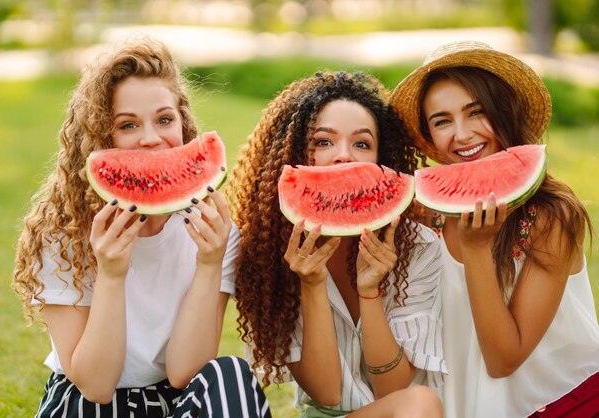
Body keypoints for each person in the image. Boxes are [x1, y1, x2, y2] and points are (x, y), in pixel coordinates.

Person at [12, 38, 271, 418]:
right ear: (101, 138)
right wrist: (111, 277)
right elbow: (95, 385)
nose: (151, 138)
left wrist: (209, 263)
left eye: (165, 120)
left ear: (184, 125)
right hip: (84, 402)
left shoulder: (213, 232)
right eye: (128, 124)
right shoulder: (63, 233)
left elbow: (186, 372)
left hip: (173, 400)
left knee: (231, 373)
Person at [390, 40, 599, 418]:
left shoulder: (550, 216)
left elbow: (504, 360)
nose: (462, 134)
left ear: (504, 112)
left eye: (476, 112)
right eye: (442, 121)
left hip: (562, 404)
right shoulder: (424, 213)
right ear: (429, 136)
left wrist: (475, 250)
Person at [226, 71, 446, 418]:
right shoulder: (266, 254)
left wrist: (370, 291)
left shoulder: (419, 247)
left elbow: (393, 391)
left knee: (419, 402)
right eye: (323, 142)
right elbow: (327, 394)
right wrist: (311, 285)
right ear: (294, 153)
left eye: (362, 144)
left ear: (381, 160)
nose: (344, 156)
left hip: (404, 411)